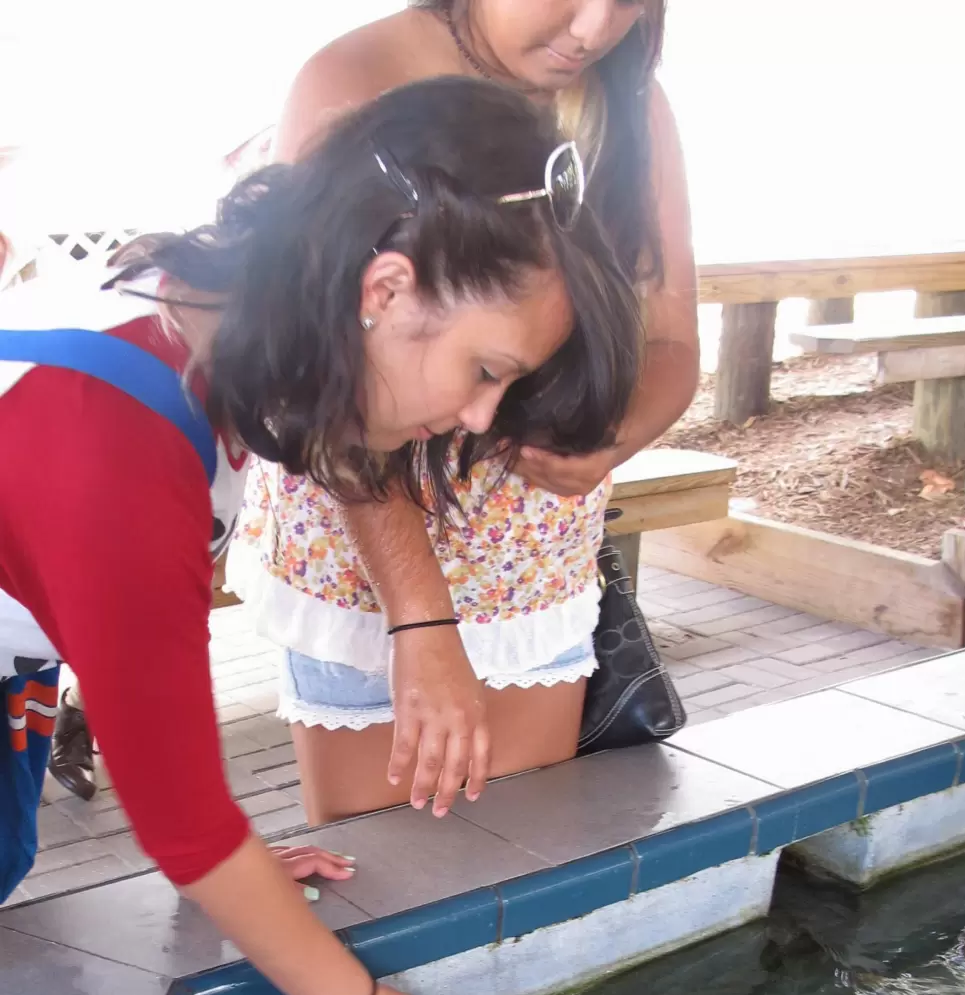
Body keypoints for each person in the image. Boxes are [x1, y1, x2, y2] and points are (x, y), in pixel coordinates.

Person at [0, 76, 641, 995]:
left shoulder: (212, 321)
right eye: (482, 370)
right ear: (383, 288)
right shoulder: (107, 446)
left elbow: (180, 788)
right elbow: (180, 822)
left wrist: (234, 872)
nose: (472, 419)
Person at [227, 0, 698, 825]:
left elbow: (673, 338)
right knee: (389, 863)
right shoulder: (350, 80)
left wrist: (606, 442)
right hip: (369, 551)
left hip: (532, 554)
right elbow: (321, 376)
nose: (593, 30)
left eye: (629, 1)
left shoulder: (628, 102)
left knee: (525, 844)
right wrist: (420, 621)